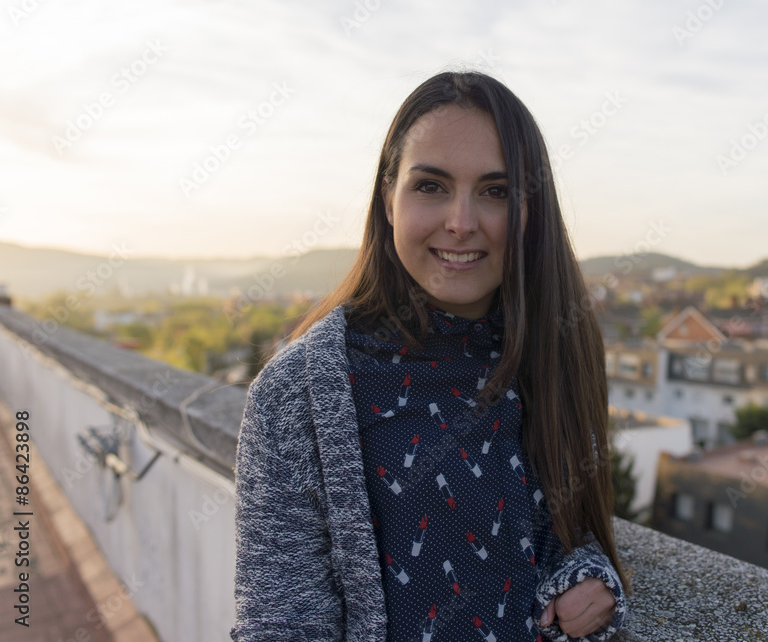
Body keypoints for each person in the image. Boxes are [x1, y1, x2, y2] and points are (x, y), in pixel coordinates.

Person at [230, 71, 629, 642]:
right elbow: (280, 623)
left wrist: (590, 580)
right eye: (431, 186)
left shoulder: (557, 354)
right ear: (388, 199)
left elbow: (568, 536)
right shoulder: (300, 393)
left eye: (496, 191)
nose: (462, 223)